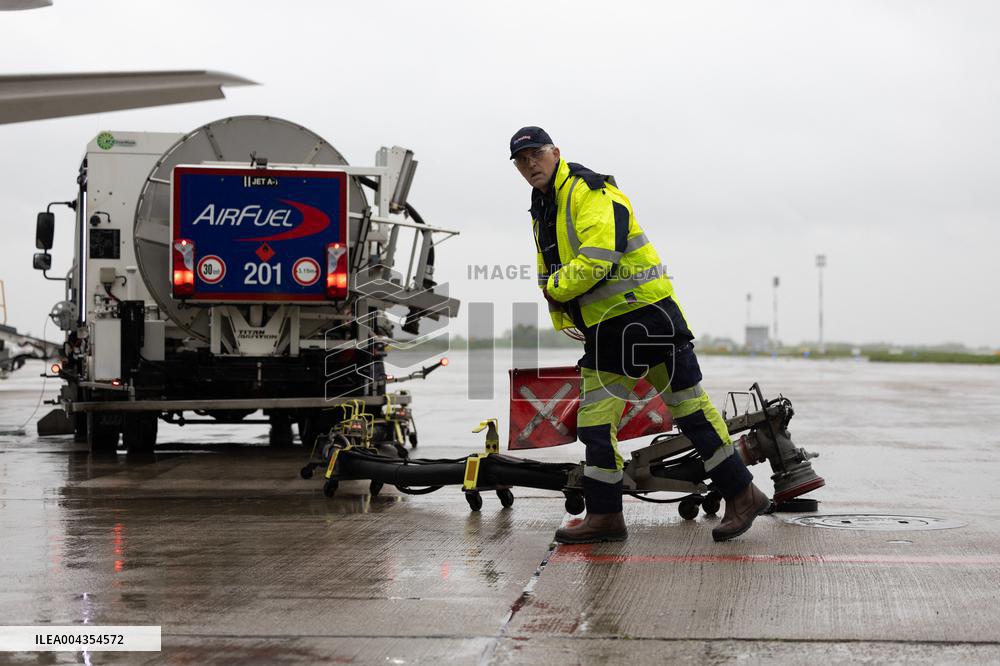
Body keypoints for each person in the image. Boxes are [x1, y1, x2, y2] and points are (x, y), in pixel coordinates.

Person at [510, 126, 770, 544]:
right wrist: (565, 313)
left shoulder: (586, 191)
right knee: (689, 412)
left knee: (609, 421)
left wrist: (556, 291)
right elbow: (548, 267)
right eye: (521, 161)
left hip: (634, 319)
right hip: (625, 323)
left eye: (536, 155)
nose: (530, 165)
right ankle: (740, 493)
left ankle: (609, 515)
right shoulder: (545, 207)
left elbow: (599, 256)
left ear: (556, 152)